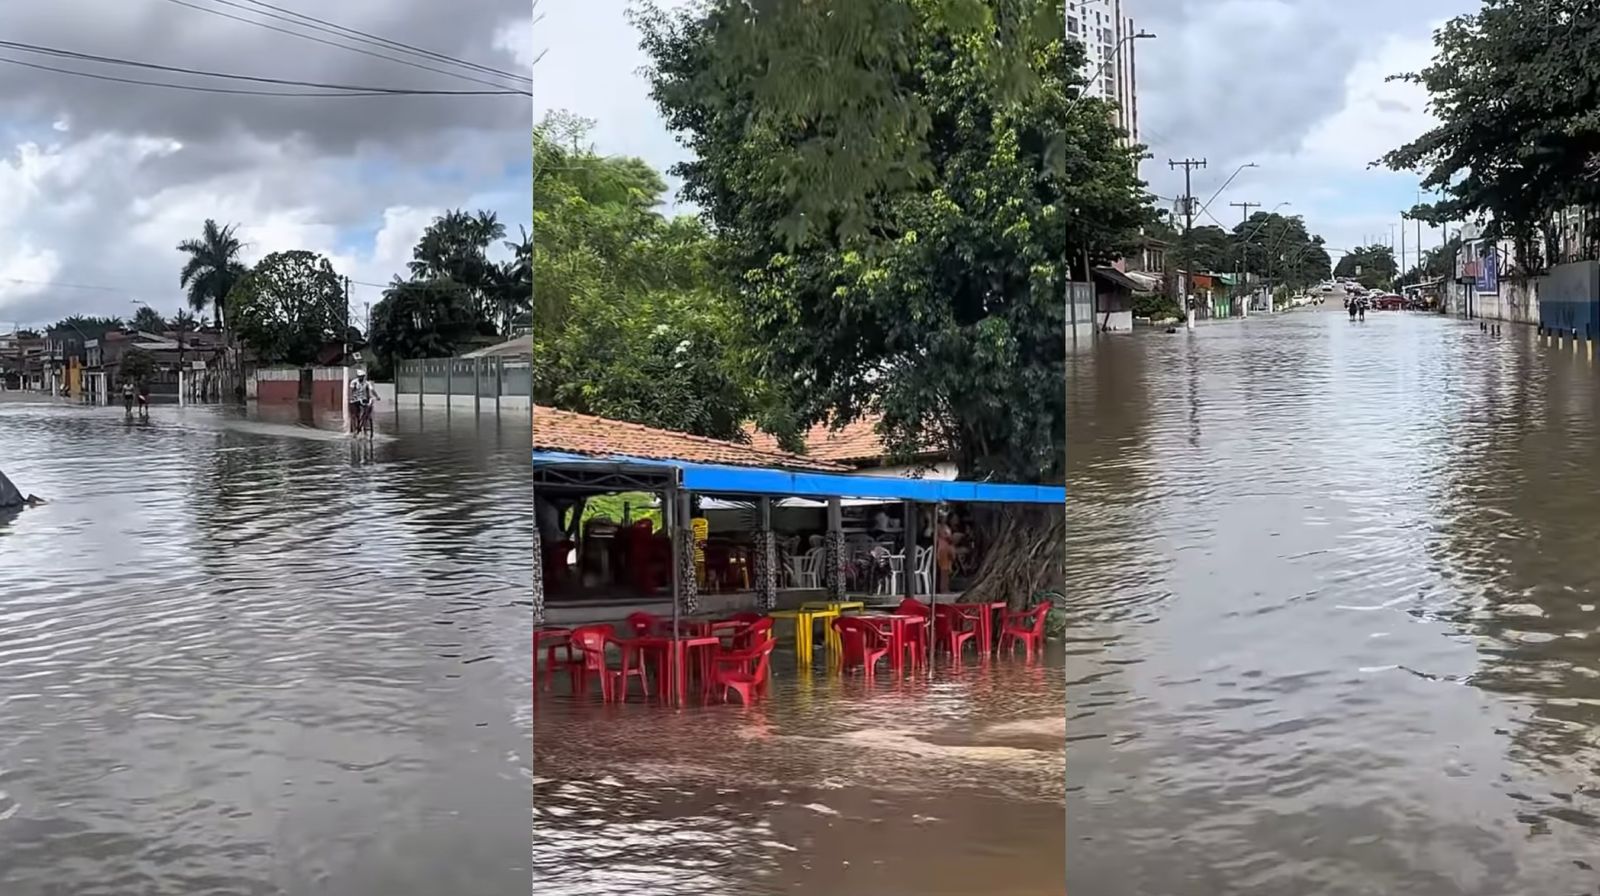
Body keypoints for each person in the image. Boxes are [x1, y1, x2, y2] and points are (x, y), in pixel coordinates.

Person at [348, 369, 376, 433]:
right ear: (358, 376)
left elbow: (372, 390)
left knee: (367, 410)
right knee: (355, 413)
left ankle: (364, 422)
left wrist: (376, 396)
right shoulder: (354, 382)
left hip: (363, 399)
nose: (361, 378)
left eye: (362, 376)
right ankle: (355, 426)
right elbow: (351, 390)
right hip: (355, 399)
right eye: (360, 376)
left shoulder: (367, 383)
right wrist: (351, 397)